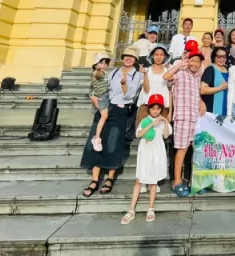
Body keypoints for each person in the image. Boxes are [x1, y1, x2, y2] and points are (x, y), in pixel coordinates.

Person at [81, 47, 143, 197]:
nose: (128, 59)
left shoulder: (138, 75)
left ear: (135, 60)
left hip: (120, 110)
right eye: (126, 56)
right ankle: (94, 179)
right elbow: (98, 85)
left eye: (132, 57)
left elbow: (130, 96)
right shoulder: (114, 72)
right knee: (96, 140)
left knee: (114, 144)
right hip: (104, 107)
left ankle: (110, 177)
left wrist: (123, 83)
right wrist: (91, 95)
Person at [163, 40, 206, 197]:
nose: (195, 63)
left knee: (196, 149)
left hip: (195, 118)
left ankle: (195, 180)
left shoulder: (197, 77)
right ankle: (177, 181)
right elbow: (165, 76)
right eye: (192, 60)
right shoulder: (179, 73)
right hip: (182, 117)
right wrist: (180, 65)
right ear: (187, 60)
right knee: (181, 150)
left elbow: (197, 94)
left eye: (197, 61)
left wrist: (201, 103)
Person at [121, 94, 171, 225]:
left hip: (157, 152)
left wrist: (165, 123)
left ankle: (151, 208)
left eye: (158, 108)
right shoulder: (144, 121)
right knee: (139, 180)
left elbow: (166, 135)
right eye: (153, 108)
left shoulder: (162, 121)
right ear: (149, 109)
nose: (155, 111)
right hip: (145, 152)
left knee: (153, 182)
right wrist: (152, 124)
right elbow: (139, 134)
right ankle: (131, 209)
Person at [137, 45, 171, 127]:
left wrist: (170, 112)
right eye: (156, 54)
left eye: (161, 55)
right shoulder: (146, 70)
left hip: (163, 107)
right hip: (146, 106)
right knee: (144, 133)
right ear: (152, 56)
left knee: (161, 134)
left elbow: (170, 92)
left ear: (165, 57)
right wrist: (145, 74)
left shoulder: (168, 71)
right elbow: (146, 89)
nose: (158, 57)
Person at [89, 55, 111, 152]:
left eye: (105, 63)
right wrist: (98, 69)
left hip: (106, 96)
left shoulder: (106, 73)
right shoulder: (96, 73)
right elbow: (96, 74)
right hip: (101, 97)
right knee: (104, 116)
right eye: (101, 63)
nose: (103, 65)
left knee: (105, 116)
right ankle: (97, 137)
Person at [201, 46, 230, 116]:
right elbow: (202, 90)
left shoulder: (227, 69)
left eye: (224, 57)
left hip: (226, 109)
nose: (221, 59)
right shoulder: (210, 69)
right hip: (212, 110)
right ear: (214, 57)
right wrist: (220, 88)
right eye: (219, 56)